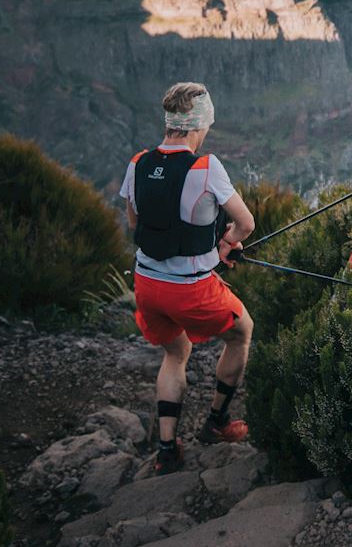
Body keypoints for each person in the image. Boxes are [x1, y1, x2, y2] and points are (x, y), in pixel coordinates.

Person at [119, 81, 257, 474]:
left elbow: (134, 221)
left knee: (175, 353)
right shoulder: (206, 166)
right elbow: (245, 223)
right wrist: (226, 243)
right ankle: (215, 422)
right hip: (190, 289)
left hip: (146, 284)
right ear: (201, 124)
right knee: (241, 332)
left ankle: (166, 451)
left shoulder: (139, 162)